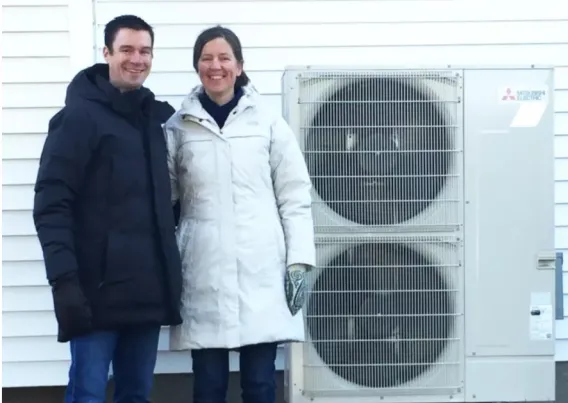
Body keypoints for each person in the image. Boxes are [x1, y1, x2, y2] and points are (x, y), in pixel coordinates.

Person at [32, 14, 182, 403]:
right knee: (87, 394)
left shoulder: (159, 120)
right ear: (107, 53)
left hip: (147, 290)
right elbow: (52, 205)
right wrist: (63, 282)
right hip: (92, 293)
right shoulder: (78, 119)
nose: (137, 59)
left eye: (145, 50)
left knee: (136, 394)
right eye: (127, 49)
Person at [163, 25, 316, 403]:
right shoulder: (178, 126)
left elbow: (294, 195)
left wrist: (299, 262)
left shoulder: (267, 122)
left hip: (260, 271)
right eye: (206, 58)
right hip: (203, 270)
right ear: (196, 66)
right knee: (209, 385)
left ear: (239, 65)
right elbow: (164, 199)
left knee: (261, 384)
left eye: (224, 57)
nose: (215, 66)